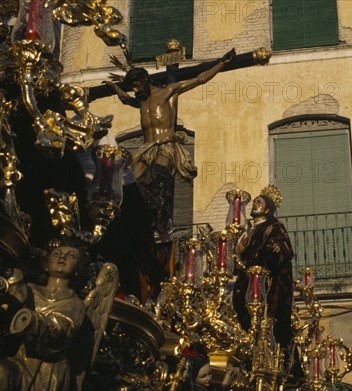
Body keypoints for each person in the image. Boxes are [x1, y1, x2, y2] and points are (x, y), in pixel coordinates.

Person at [104, 48, 236, 241]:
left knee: (157, 175)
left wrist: (222, 63)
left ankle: (162, 220)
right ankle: (141, 221)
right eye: (133, 87)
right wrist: (113, 86)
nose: (136, 89)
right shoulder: (141, 101)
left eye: (138, 84)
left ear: (146, 80)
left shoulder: (166, 92)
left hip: (166, 146)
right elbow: (124, 99)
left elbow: (200, 79)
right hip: (146, 148)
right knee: (131, 183)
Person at [0, 239, 88, 391]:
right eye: (56, 254)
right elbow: (13, 303)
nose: (62, 258)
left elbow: (61, 333)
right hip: (19, 358)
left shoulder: (75, 303)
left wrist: (33, 321)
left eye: (71, 256)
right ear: (46, 264)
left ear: (78, 269)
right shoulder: (29, 290)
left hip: (47, 370)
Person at [232, 185, 297, 374]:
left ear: (267, 209)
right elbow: (239, 263)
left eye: (259, 203)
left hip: (265, 286)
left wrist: (277, 248)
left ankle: (275, 362)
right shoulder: (249, 232)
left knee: (269, 325)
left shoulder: (274, 226)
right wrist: (238, 251)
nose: (255, 205)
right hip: (247, 285)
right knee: (245, 322)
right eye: (254, 202)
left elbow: (284, 248)